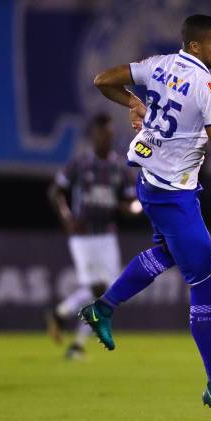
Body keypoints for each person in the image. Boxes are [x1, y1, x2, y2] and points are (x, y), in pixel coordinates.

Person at [78, 14, 211, 421]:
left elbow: (102, 80)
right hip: (173, 193)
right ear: (197, 47)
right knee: (205, 281)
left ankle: (103, 308)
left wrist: (134, 102)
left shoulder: (158, 64)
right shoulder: (209, 87)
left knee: (165, 252)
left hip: (152, 181)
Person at [46, 113, 138, 360]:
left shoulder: (119, 167)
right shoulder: (80, 163)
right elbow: (56, 190)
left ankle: (62, 313)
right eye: (101, 134)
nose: (105, 138)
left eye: (108, 134)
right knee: (99, 291)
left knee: (109, 290)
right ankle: (76, 343)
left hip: (107, 234)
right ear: (93, 136)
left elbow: (132, 201)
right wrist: (66, 218)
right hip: (83, 235)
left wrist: (132, 208)